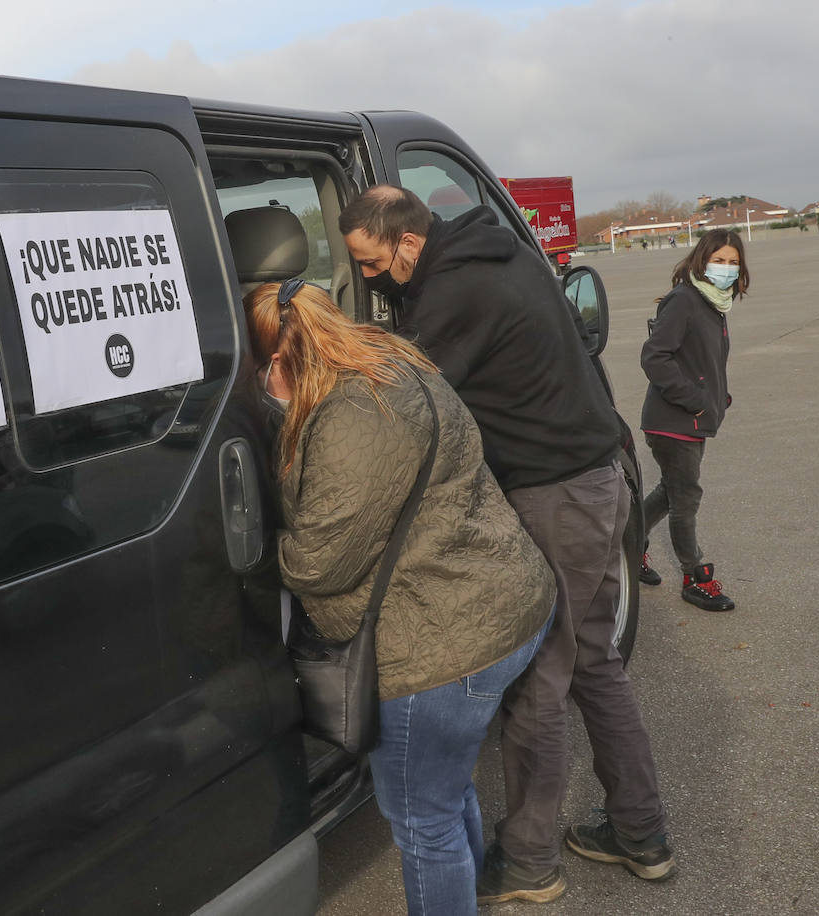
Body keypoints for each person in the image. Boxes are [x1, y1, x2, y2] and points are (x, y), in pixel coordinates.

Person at [340, 186, 675, 903]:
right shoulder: (502, 252)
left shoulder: (452, 295)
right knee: (592, 659)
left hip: (555, 497)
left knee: (537, 682)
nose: (366, 279)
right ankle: (641, 831)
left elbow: (405, 407)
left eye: (370, 264)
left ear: (406, 244)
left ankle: (529, 862)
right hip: (598, 479)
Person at [248, 278, 555, 916]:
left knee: (423, 824)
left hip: (440, 649)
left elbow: (319, 562)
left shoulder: (351, 418)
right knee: (448, 795)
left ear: (279, 360)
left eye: (257, 369)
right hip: (501, 606)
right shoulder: (396, 365)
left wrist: (257, 546)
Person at [638, 228, 748, 611]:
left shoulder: (713, 303)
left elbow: (701, 361)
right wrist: (697, 400)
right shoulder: (685, 299)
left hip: (691, 417)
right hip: (674, 420)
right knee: (686, 496)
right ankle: (693, 575)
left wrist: (718, 396)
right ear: (703, 260)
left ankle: (627, 544)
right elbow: (655, 357)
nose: (727, 268)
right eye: (720, 260)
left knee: (671, 491)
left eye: (733, 262)